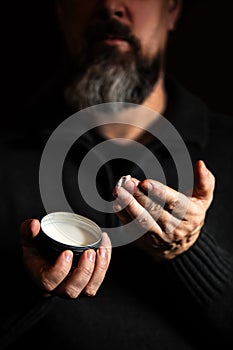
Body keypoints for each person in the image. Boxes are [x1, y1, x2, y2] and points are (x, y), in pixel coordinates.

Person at [1, 0, 233, 349]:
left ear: (171, 10)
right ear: (61, 11)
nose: (110, 6)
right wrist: (26, 290)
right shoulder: (5, 156)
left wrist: (190, 252)